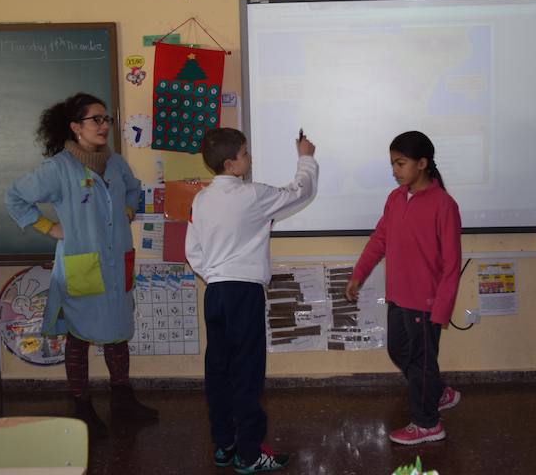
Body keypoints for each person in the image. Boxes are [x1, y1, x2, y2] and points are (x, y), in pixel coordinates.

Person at [5, 92, 157, 438]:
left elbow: (134, 191)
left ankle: (122, 399)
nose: (104, 126)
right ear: (75, 127)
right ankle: (82, 406)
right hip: (80, 263)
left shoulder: (116, 163)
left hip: (116, 260)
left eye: (107, 119)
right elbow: (14, 197)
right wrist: (49, 227)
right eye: (96, 119)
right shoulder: (58, 169)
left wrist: (129, 211)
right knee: (79, 335)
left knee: (118, 332)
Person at [185, 127, 318, 473]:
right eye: (245, 153)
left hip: (214, 293)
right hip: (243, 292)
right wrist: (306, 157)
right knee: (246, 372)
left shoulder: (200, 200)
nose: (251, 158)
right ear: (231, 163)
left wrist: (215, 273)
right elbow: (301, 191)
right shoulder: (252, 195)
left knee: (218, 371)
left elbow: (192, 251)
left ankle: (225, 445)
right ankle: (249, 454)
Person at [345, 131, 462, 446]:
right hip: (398, 297)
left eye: (400, 163)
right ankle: (437, 392)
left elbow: (452, 265)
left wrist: (442, 309)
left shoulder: (444, 205)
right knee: (399, 350)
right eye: (392, 163)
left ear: (422, 164)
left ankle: (428, 424)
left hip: (426, 303)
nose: (394, 170)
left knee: (422, 361)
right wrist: (359, 274)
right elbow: (379, 239)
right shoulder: (395, 199)